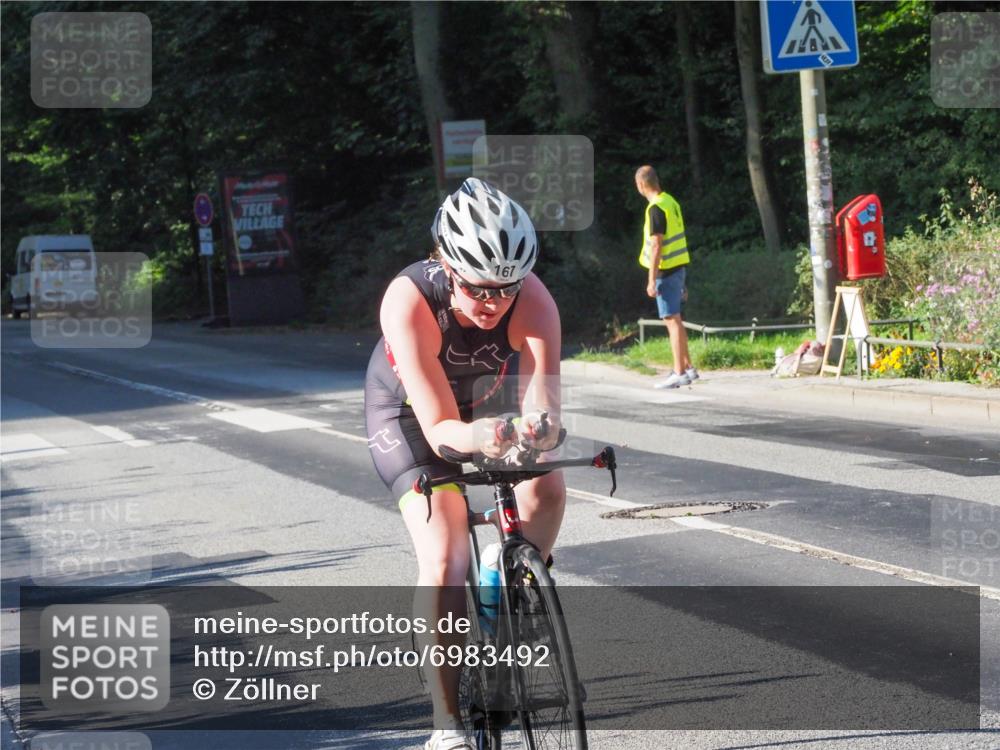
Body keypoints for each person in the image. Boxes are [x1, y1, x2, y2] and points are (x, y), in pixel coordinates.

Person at [364, 178, 564, 750]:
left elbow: (542, 401)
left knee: (547, 487)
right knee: (448, 556)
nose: (493, 304)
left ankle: (513, 584)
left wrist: (537, 428)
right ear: (446, 267)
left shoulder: (536, 302)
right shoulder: (408, 301)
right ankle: (446, 724)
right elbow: (441, 431)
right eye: (478, 289)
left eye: (506, 289)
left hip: (485, 397)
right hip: (410, 416)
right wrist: (487, 435)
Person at [635, 165, 699, 389]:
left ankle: (678, 372)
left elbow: (656, 245)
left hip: (666, 272)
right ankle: (688, 368)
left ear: (641, 185)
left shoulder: (655, 209)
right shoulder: (670, 201)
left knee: (671, 322)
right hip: (678, 268)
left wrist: (651, 279)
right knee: (677, 320)